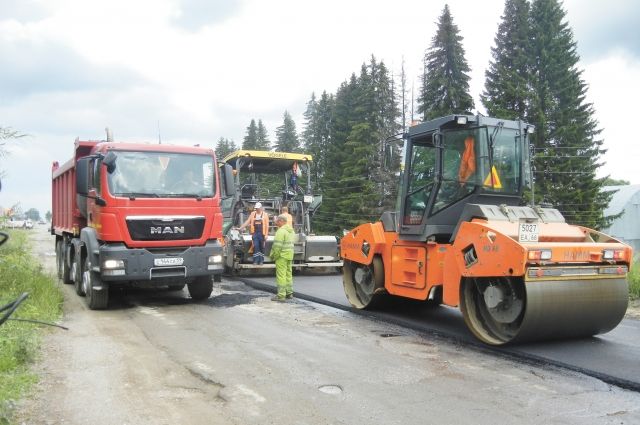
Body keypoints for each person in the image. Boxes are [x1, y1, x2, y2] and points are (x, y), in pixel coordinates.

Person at [269, 214, 294, 301]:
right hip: (289, 255)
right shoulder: (291, 231)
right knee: (288, 275)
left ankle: (281, 295)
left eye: (277, 221)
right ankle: (289, 293)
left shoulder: (280, 231)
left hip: (281, 256)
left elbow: (277, 247)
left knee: (281, 276)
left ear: (281, 221)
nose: (276, 223)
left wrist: (274, 256)